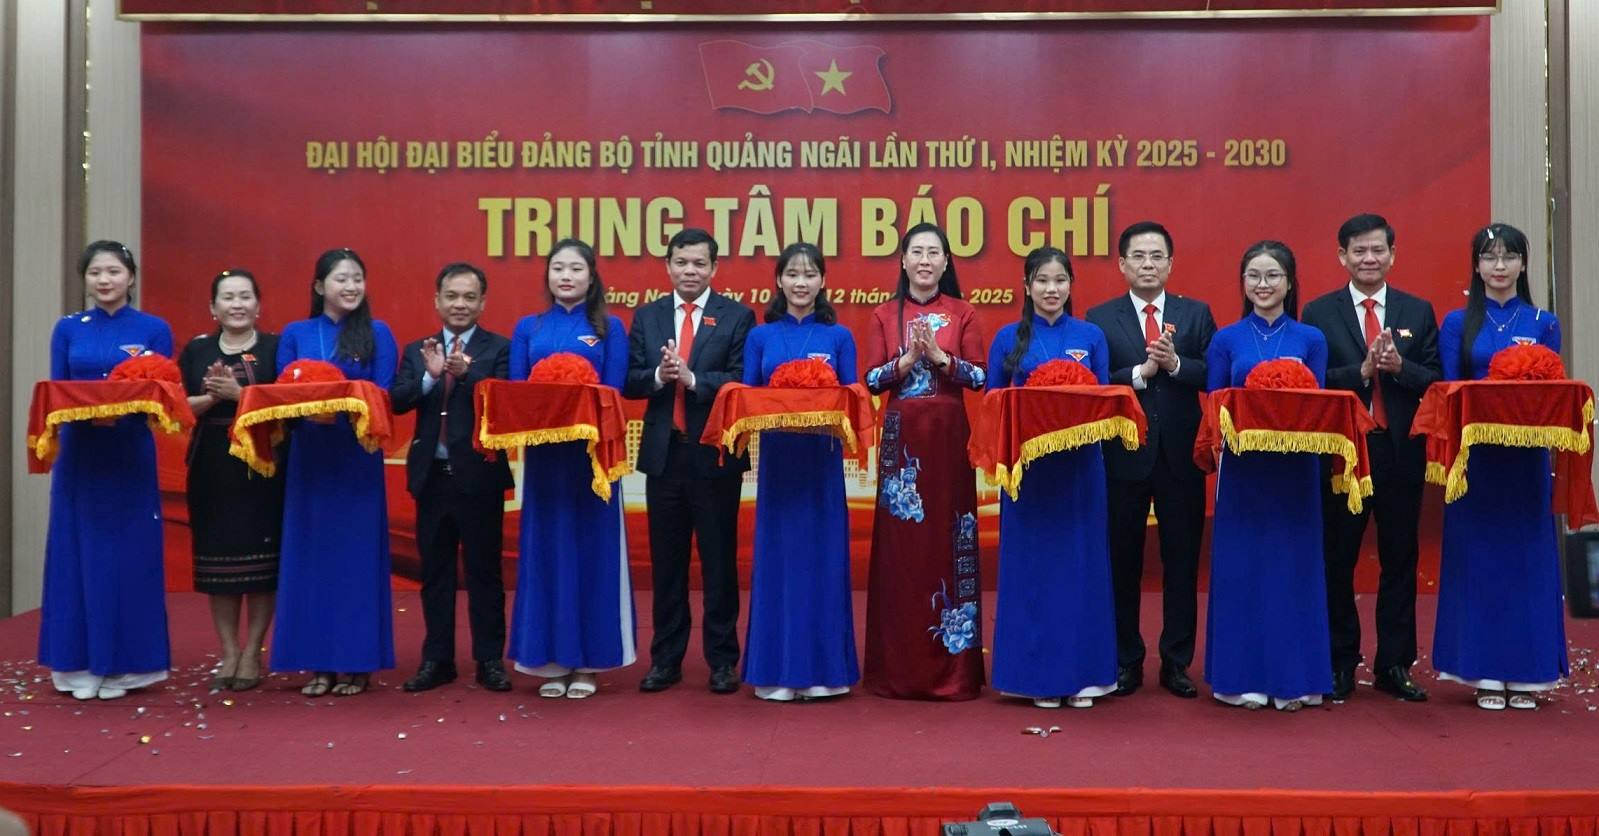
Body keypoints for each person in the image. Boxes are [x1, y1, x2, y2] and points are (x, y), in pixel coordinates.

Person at [1302, 213, 1440, 703]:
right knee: (1337, 558)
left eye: (1377, 250)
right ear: (1342, 256)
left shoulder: (1417, 310)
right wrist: (1359, 371)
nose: (1368, 259)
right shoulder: (1319, 312)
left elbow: (1436, 382)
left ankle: (1395, 664)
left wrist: (1400, 369)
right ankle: (1341, 662)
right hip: (1345, 455)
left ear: (1392, 255)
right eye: (1358, 251)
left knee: (1400, 558)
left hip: (1400, 451)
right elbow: (1312, 382)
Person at [1433, 223, 1566, 711]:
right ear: (1477, 266)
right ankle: (1484, 671)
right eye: (1490, 258)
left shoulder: (1543, 322)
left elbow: (1553, 393)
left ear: (1523, 265)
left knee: (1526, 560)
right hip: (1476, 463)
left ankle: (1528, 674)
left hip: (1526, 460)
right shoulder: (1457, 323)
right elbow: (1450, 391)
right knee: (1480, 562)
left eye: (1509, 257)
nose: (1500, 267)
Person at [1085, 221, 1216, 699]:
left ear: (1170, 263)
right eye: (1137, 256)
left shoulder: (1195, 314)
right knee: (1123, 561)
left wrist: (1177, 364)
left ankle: (1177, 662)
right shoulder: (1100, 318)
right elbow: (1096, 378)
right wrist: (1142, 372)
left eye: (1156, 255)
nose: (1147, 264)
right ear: (1122, 264)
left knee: (1181, 562)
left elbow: (1214, 373)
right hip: (1123, 454)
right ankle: (1125, 660)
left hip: (1180, 455)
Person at [40, 241, 174, 701]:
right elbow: (55, 392)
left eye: (113, 271)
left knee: (127, 557)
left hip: (129, 455)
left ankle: (126, 666)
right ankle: (77, 664)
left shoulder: (154, 329)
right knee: (76, 554)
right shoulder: (67, 329)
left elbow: (164, 397)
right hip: (80, 456)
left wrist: (124, 414)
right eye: (95, 272)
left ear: (130, 277)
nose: (104, 280)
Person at [984, 247, 1117, 708]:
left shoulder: (1092, 335)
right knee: (1034, 572)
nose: (1051, 290)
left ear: (1070, 286)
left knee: (1081, 569)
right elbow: (992, 403)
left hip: (1080, 471)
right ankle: (1036, 676)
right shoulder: (1007, 338)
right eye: (1042, 281)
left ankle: (1085, 677)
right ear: (1026, 287)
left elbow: (1103, 401)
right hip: (1029, 476)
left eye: (1060, 281)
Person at [624, 228, 754, 695]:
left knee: (719, 563)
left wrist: (694, 377)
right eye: (682, 262)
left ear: (714, 269)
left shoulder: (737, 317)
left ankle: (722, 661)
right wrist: (660, 375)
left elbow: (741, 380)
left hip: (714, 455)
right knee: (668, 564)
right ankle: (666, 659)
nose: (690, 271)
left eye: (699, 263)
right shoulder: (648, 316)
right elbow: (631, 381)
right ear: (668, 266)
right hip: (665, 457)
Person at [861, 222, 987, 701]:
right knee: (902, 554)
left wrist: (939, 357)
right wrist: (908, 360)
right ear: (903, 260)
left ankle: (954, 673)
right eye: (917, 252)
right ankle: (897, 670)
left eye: (935, 252)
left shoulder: (964, 313)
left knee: (950, 543)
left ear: (947, 262)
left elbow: (979, 376)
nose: (926, 260)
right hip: (902, 448)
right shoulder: (882, 314)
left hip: (951, 441)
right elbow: (871, 379)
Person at [1203, 240, 1331, 711]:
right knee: (1245, 570)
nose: (1263, 285)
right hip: (1244, 472)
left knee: (1291, 569)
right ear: (1243, 284)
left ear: (1290, 282)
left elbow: (1320, 409)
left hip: (1296, 473)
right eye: (1254, 276)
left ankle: (1295, 677)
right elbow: (1215, 407)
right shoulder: (1227, 340)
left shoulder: (1311, 339)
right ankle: (1241, 677)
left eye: (1272, 275)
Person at [507, 238, 633, 698]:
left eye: (575, 268)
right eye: (558, 267)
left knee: (592, 555)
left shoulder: (609, 327)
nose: (566, 276)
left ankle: (589, 663)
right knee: (547, 552)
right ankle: (550, 661)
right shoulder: (529, 328)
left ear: (591, 276)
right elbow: (518, 394)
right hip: (544, 460)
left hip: (591, 461)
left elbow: (614, 392)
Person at [272, 248, 399, 697]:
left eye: (357, 278)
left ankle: (357, 663)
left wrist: (343, 408)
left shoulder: (378, 334)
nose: (350, 286)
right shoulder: (295, 333)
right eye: (341, 278)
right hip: (310, 459)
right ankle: (319, 664)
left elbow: (383, 397)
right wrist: (309, 410)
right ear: (319, 286)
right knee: (314, 560)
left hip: (355, 460)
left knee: (355, 563)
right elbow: (279, 395)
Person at [741, 242, 860, 702]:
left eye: (810, 274)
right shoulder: (762, 337)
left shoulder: (838, 337)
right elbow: (747, 398)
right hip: (778, 465)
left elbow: (852, 399)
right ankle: (775, 671)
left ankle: (825, 673)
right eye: (792, 274)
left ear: (823, 282)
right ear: (779, 281)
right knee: (779, 561)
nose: (801, 282)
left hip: (820, 466)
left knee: (822, 560)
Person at [391, 262, 515, 693]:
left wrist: (468, 375)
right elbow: (398, 400)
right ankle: (437, 658)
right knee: (436, 573)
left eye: (468, 297)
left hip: (479, 477)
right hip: (432, 477)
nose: (459, 304)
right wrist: (430, 374)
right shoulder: (414, 351)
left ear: (482, 302)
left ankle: (489, 660)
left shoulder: (501, 348)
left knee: (484, 573)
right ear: (437, 301)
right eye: (451, 296)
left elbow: (505, 402)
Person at [178, 268, 284, 693]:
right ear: (213, 308)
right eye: (228, 297)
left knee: (261, 566)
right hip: (212, 464)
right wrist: (213, 396)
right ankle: (227, 650)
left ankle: (252, 650)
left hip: (263, 464)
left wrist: (242, 396)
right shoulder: (197, 350)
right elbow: (179, 407)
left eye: (245, 297)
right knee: (217, 564)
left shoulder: (277, 347)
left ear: (258, 305)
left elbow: (285, 407)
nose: (237, 304)